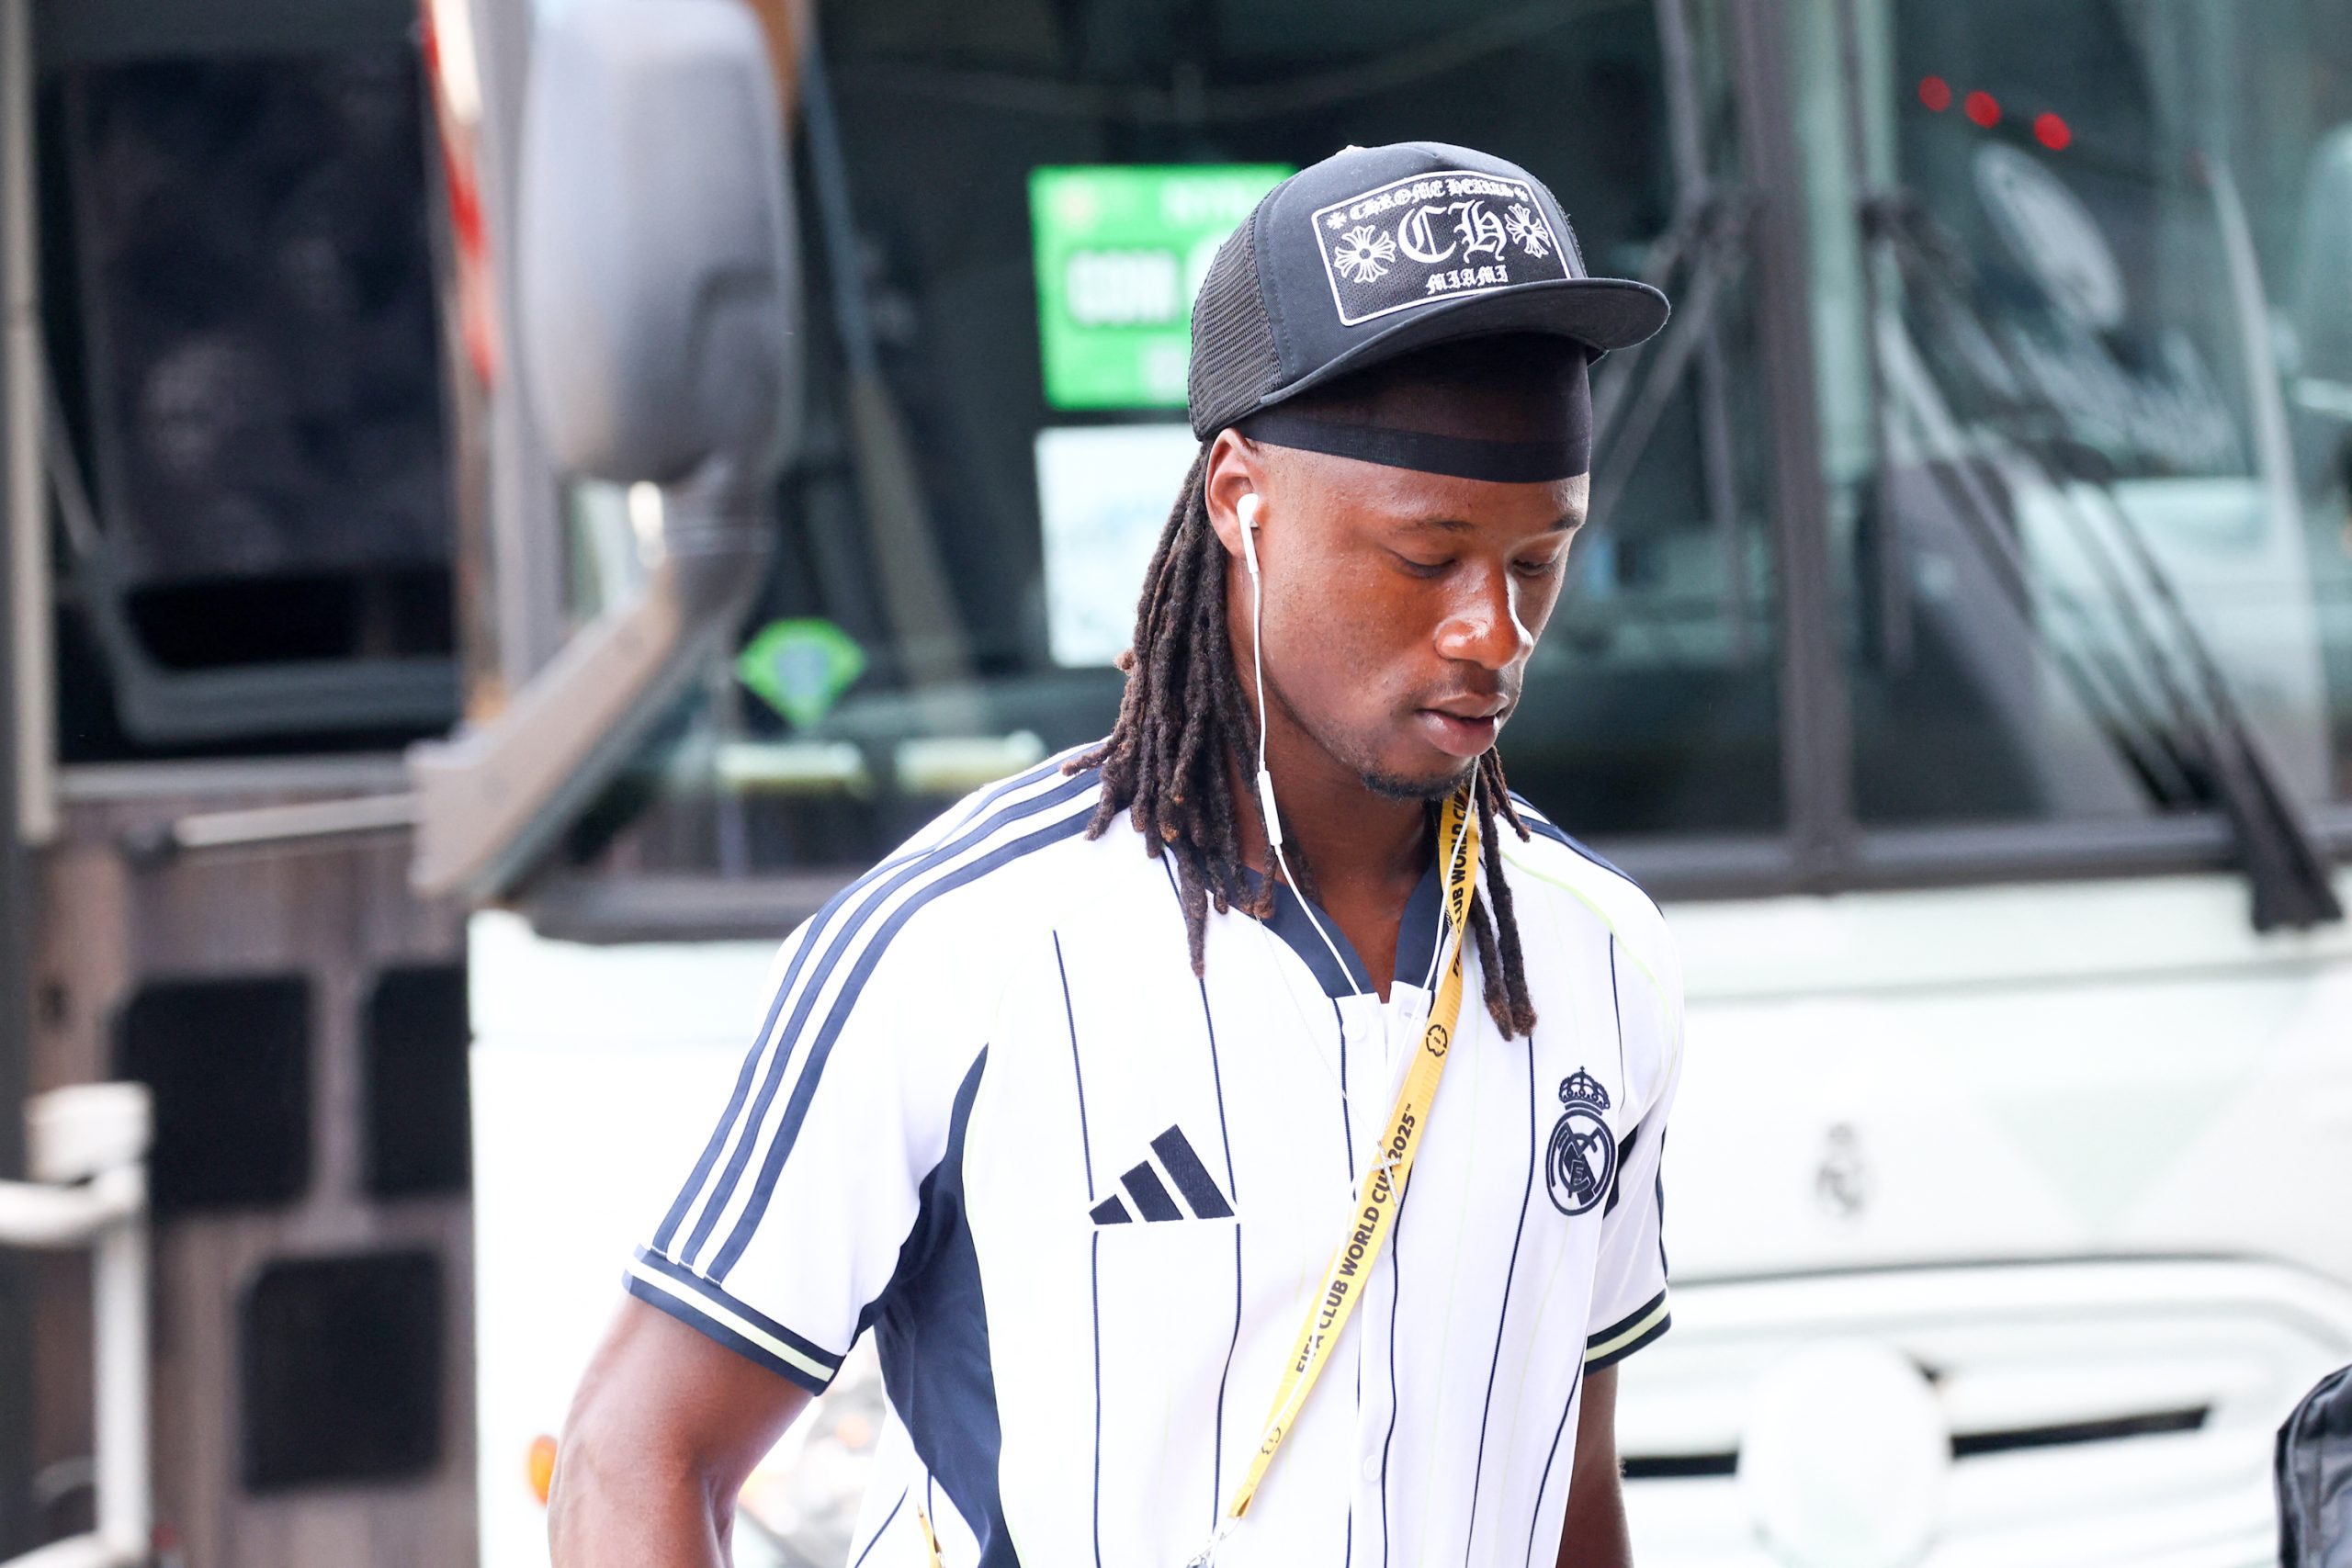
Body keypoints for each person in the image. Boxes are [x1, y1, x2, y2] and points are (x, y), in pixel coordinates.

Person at [550, 140, 1684, 1568]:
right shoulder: (961, 947)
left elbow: (1567, 1482)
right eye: (1426, 558)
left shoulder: (1597, 955)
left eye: (1538, 562)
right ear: (1239, 496)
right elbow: (632, 1458)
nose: (1491, 632)